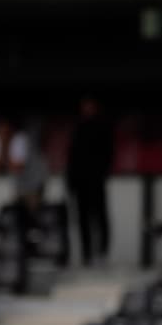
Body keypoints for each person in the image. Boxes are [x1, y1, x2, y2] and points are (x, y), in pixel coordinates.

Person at [66, 96, 115, 266]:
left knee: (99, 216)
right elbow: (72, 157)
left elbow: (108, 153)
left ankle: (102, 252)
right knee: (83, 218)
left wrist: (101, 173)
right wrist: (71, 181)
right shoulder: (78, 127)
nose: (87, 109)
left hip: (96, 180)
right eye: (85, 106)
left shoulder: (103, 127)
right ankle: (86, 254)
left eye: (90, 106)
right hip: (80, 181)